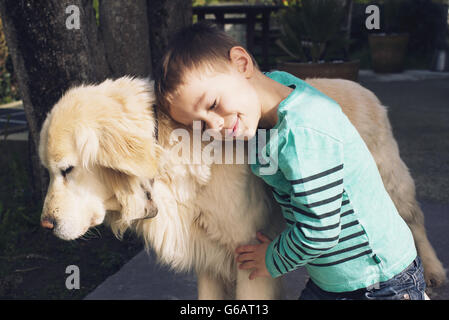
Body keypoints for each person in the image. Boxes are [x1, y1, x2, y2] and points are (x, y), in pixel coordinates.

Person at [154, 22, 426, 300]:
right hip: (331, 280)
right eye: (199, 124)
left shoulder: (302, 133)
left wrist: (270, 260)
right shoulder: (277, 88)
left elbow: (321, 230)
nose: (214, 126)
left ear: (242, 63)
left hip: (377, 281)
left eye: (212, 104)